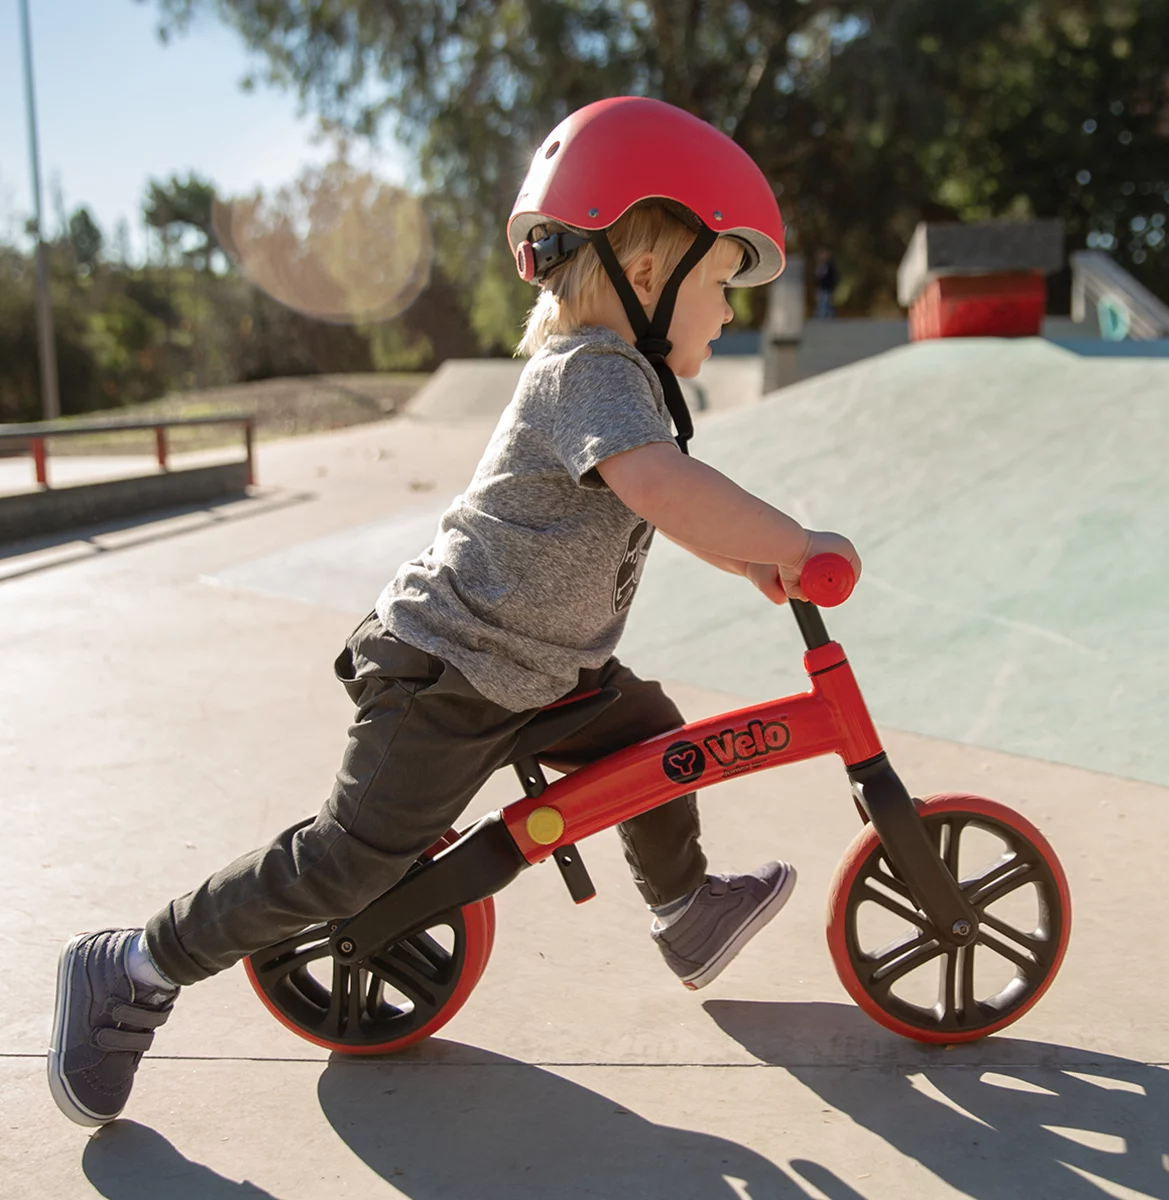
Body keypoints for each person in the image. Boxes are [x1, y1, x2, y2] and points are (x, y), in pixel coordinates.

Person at [48, 97, 861, 1128]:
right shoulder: (594, 373)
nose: (730, 311)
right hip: (446, 670)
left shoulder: (621, 384)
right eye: (720, 281)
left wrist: (744, 562)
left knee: (655, 736)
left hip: (539, 671)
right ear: (647, 276)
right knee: (346, 862)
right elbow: (660, 485)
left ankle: (684, 907)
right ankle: (133, 964)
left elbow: (650, 498)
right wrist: (792, 543)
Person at [815, 247, 839, 318]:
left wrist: (832, 287)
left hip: (827, 289)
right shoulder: (820, 266)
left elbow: (833, 278)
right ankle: (827, 316)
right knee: (823, 303)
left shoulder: (830, 266)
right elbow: (818, 279)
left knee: (825, 303)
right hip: (821, 289)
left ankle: (822, 316)